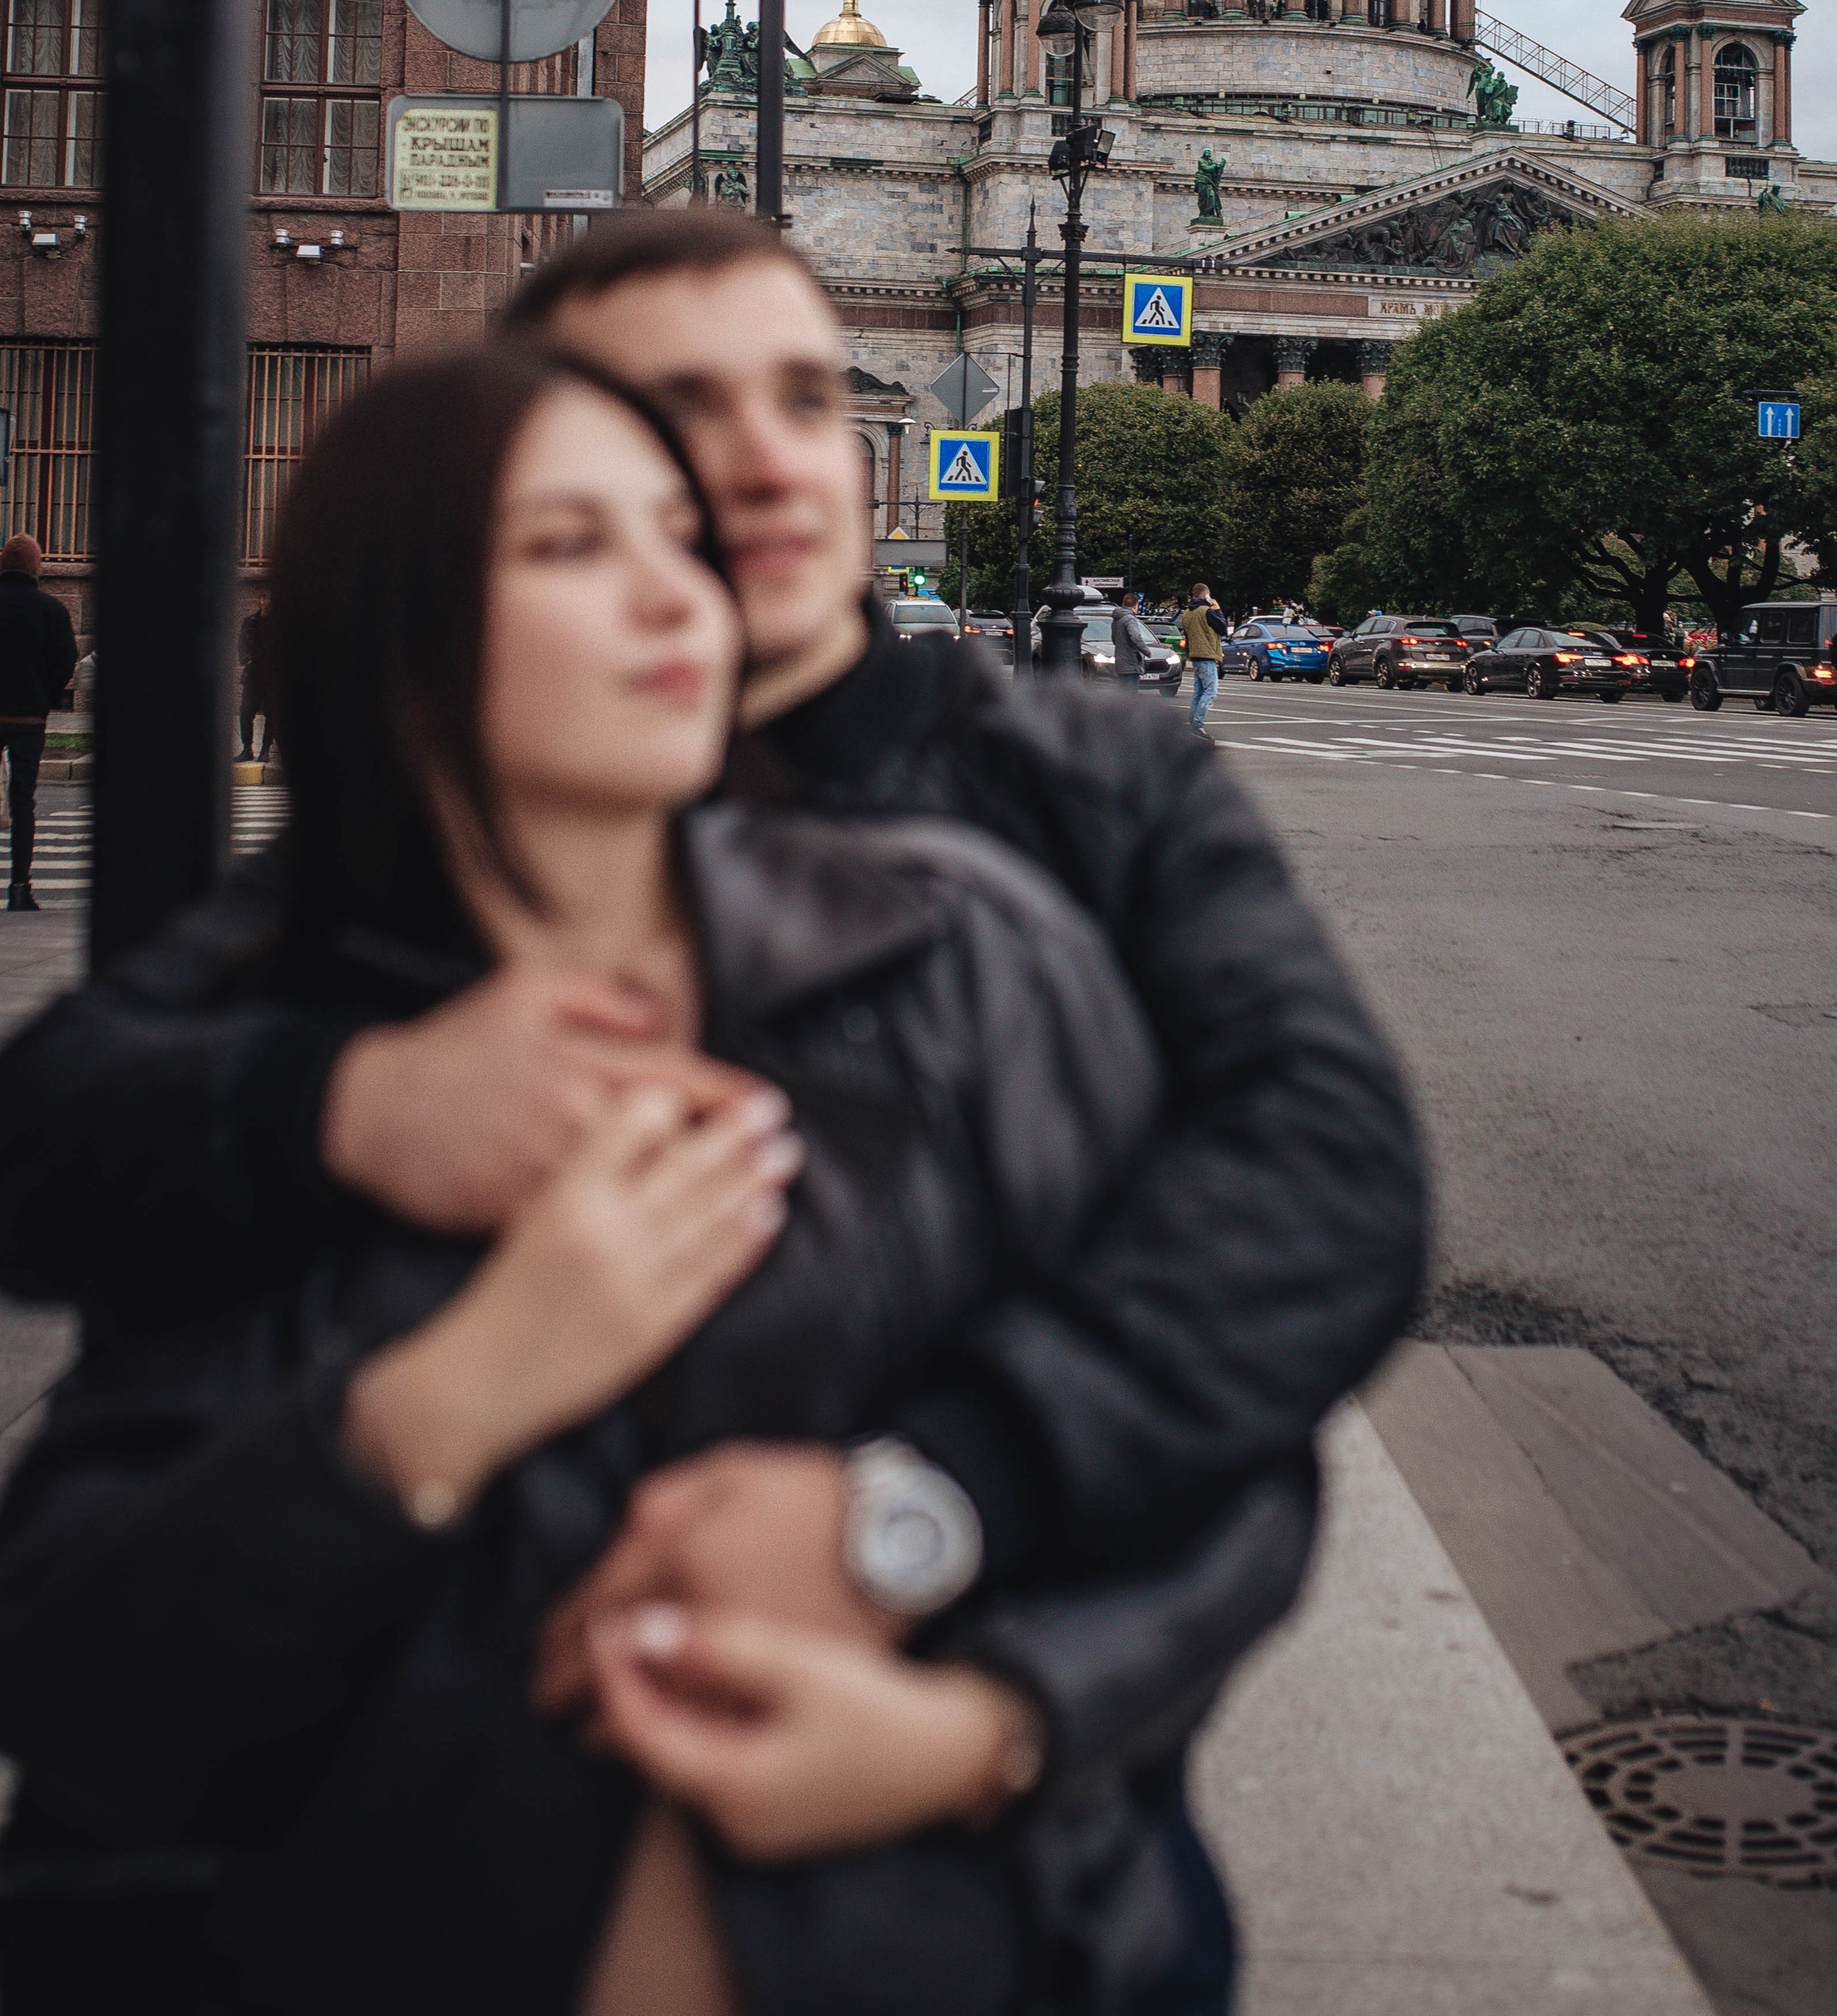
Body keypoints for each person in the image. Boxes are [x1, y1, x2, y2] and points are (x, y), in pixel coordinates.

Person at [0, 210, 1426, 1997]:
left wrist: (960, 1623)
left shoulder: (1039, 856)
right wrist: (348, 1117)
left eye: (805, 398)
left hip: (991, 1871)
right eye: (665, 427)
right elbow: (65, 1166)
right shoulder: (394, 936)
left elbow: (1304, 1249)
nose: (754, 463)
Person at [0, 534, 76, 911]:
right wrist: (44, 699)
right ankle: (18, 888)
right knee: (23, 802)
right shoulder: (51, 610)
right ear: (36, 567)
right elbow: (65, 663)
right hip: (29, 717)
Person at [1176, 583, 1228, 740]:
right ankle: (1197, 725)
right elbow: (1223, 628)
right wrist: (1217, 610)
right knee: (1210, 691)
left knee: (1198, 692)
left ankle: (1193, 724)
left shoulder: (1187, 613)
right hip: (1207, 656)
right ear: (1206, 595)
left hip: (1195, 655)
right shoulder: (1206, 611)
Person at [235, 598, 271, 765]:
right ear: (261, 600)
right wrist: (248, 661)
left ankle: (265, 749)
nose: (268, 602)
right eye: (266, 599)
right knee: (246, 712)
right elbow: (241, 645)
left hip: (272, 676)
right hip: (253, 675)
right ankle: (247, 749)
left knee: (273, 714)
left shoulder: (279, 625)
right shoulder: (251, 622)